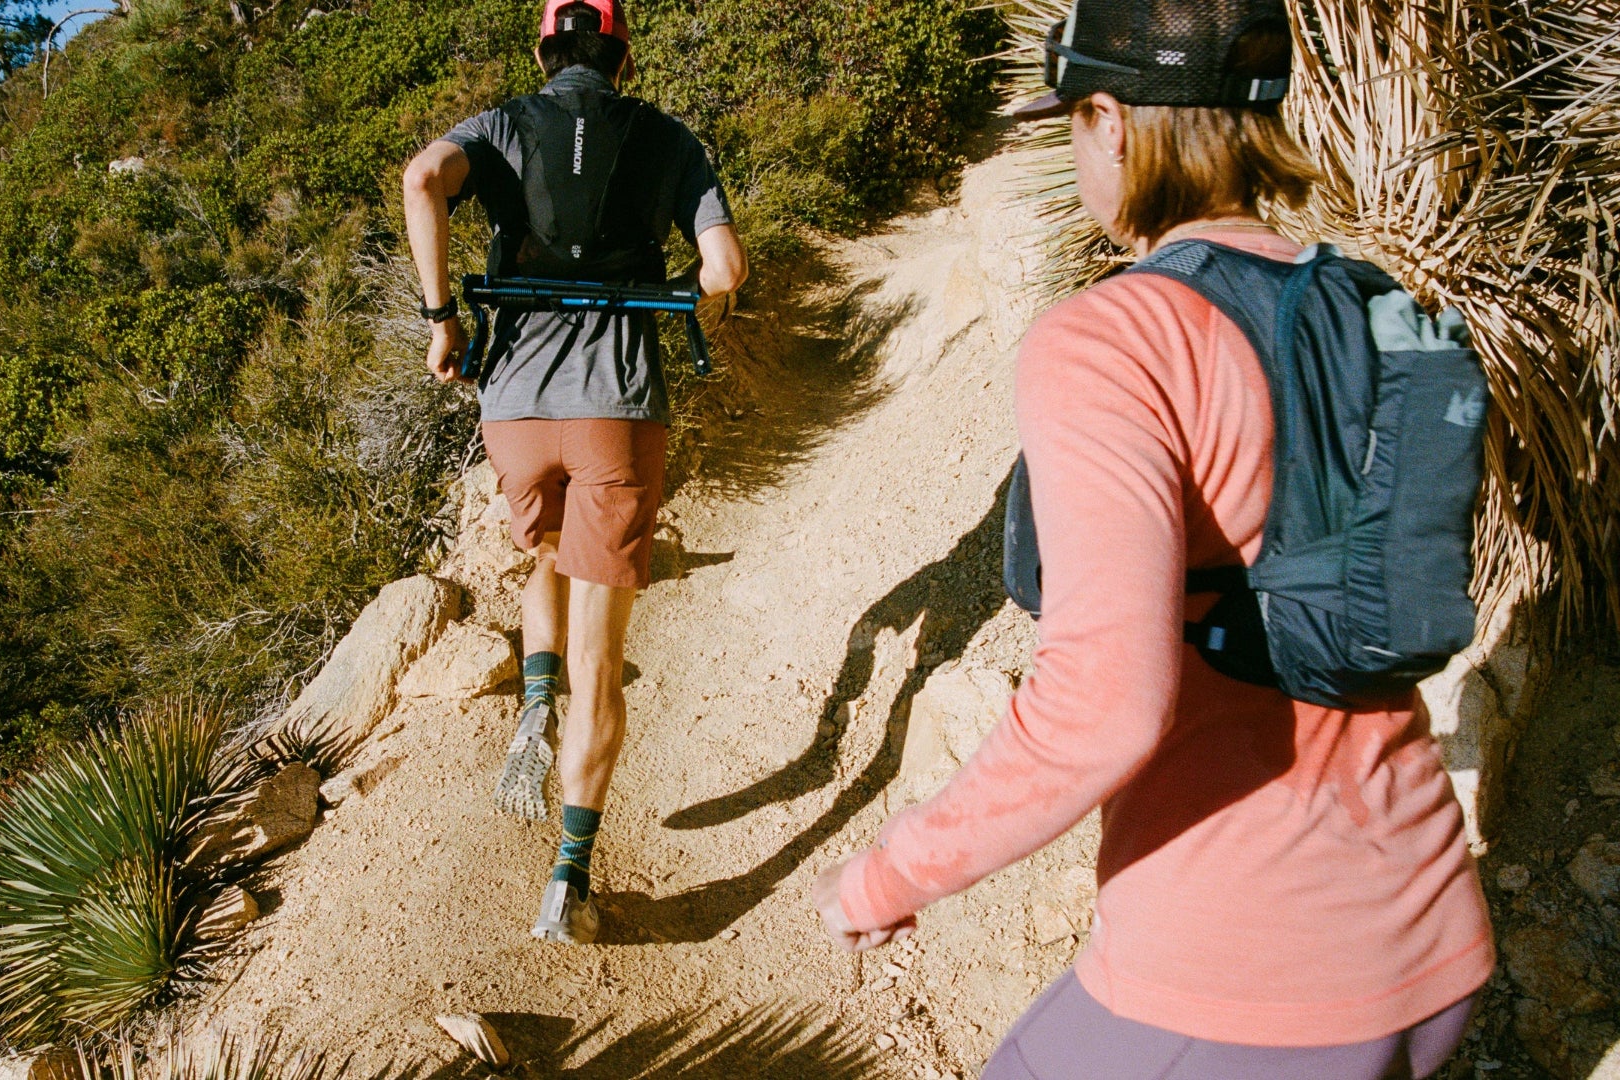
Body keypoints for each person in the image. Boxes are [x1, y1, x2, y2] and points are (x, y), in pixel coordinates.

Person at [811, 2, 1494, 1077]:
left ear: (1113, 124)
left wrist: (889, 876)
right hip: (1431, 930)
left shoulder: (1112, 340)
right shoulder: (1364, 304)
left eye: (1074, 120)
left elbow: (1102, 705)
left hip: (1249, 973)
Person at [402, 0, 747, 945]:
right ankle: (569, 879)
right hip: (616, 410)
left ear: (544, 51)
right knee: (604, 657)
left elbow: (423, 178)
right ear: (623, 58)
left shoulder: (499, 126)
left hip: (514, 410)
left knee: (546, 552)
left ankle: (534, 704)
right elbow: (724, 269)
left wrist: (443, 319)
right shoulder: (669, 139)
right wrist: (670, 292)